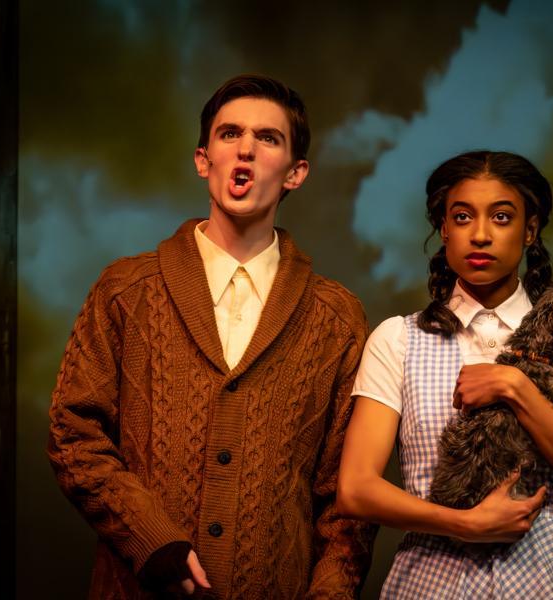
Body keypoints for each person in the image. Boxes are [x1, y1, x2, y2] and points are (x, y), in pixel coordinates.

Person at [48, 74, 376, 599]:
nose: (246, 148)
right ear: (204, 160)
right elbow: (73, 434)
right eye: (230, 134)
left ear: (295, 173)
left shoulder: (336, 320)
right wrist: (151, 540)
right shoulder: (126, 291)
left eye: (267, 138)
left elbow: (346, 500)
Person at [337, 150, 553, 599]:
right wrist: (463, 524)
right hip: (434, 580)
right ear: (444, 229)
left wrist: (516, 387)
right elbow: (355, 489)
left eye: (502, 217)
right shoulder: (398, 339)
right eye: (463, 217)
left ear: (530, 230)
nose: (481, 235)